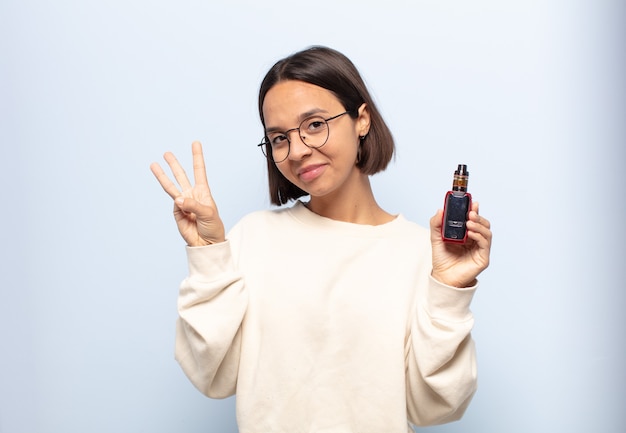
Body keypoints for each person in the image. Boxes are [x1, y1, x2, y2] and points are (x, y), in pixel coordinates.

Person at [150, 46, 492, 433]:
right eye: (279, 138)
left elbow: (434, 407)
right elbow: (211, 373)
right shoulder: (254, 237)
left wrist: (448, 288)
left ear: (361, 119)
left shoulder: (420, 253)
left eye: (314, 124)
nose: (296, 150)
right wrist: (208, 253)